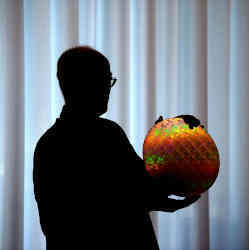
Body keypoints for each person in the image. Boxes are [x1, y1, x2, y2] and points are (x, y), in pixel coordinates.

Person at [33, 46, 201, 250]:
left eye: (109, 80)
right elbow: (72, 222)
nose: (108, 88)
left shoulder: (58, 142)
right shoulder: (65, 144)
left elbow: (144, 185)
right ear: (79, 82)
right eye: (103, 79)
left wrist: (167, 139)